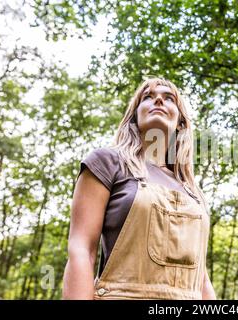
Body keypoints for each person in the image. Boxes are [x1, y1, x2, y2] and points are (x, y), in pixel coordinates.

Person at [62, 77, 216, 300]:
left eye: (168, 98)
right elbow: (81, 249)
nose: (159, 101)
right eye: (148, 97)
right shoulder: (108, 162)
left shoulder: (193, 193)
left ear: (181, 122)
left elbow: (201, 278)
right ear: (135, 116)